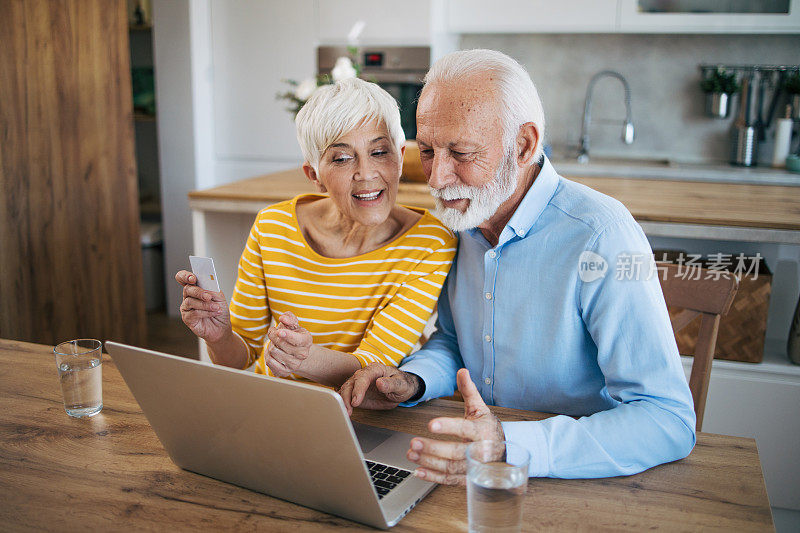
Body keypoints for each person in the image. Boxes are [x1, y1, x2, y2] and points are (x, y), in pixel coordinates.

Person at [339, 49, 696, 482]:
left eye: (462, 152)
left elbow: (667, 419)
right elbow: (455, 344)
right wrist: (412, 380)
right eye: (428, 151)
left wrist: (511, 446)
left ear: (523, 145)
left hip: (581, 479)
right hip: (475, 469)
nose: (436, 178)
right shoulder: (463, 220)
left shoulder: (602, 236)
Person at [176, 78, 457, 388]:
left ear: (401, 157)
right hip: (275, 404)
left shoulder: (430, 243)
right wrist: (218, 336)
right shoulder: (273, 227)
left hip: (364, 412)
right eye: (341, 158)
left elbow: (375, 366)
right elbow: (241, 357)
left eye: (379, 152)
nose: (366, 173)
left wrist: (303, 358)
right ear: (315, 175)